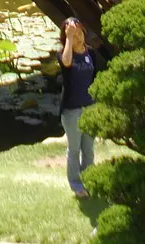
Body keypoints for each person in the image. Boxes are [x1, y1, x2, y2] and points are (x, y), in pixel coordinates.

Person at [58, 17, 99, 198]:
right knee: (74, 149)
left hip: (89, 108)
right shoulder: (64, 55)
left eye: (79, 34)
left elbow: (95, 79)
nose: (78, 38)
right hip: (72, 111)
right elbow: (67, 62)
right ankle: (76, 185)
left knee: (88, 149)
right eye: (74, 36)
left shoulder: (91, 55)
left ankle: (89, 180)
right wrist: (69, 37)